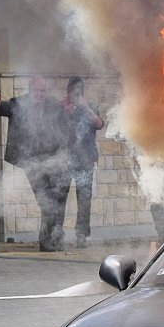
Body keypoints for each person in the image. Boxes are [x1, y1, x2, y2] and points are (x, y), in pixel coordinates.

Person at [0, 75, 71, 252]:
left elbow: (65, 124)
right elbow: (6, 107)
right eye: (37, 91)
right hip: (32, 162)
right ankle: (48, 242)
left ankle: (54, 239)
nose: (40, 94)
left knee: (59, 197)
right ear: (30, 90)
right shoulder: (21, 104)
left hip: (54, 160)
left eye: (43, 91)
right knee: (45, 200)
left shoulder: (53, 105)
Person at [61, 77, 104, 249]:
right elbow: (54, 128)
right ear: (68, 91)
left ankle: (81, 235)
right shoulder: (62, 107)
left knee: (84, 199)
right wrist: (66, 111)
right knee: (60, 196)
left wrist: (86, 109)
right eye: (73, 90)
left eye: (79, 90)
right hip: (66, 160)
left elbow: (99, 124)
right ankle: (56, 234)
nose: (76, 94)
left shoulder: (90, 106)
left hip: (86, 160)